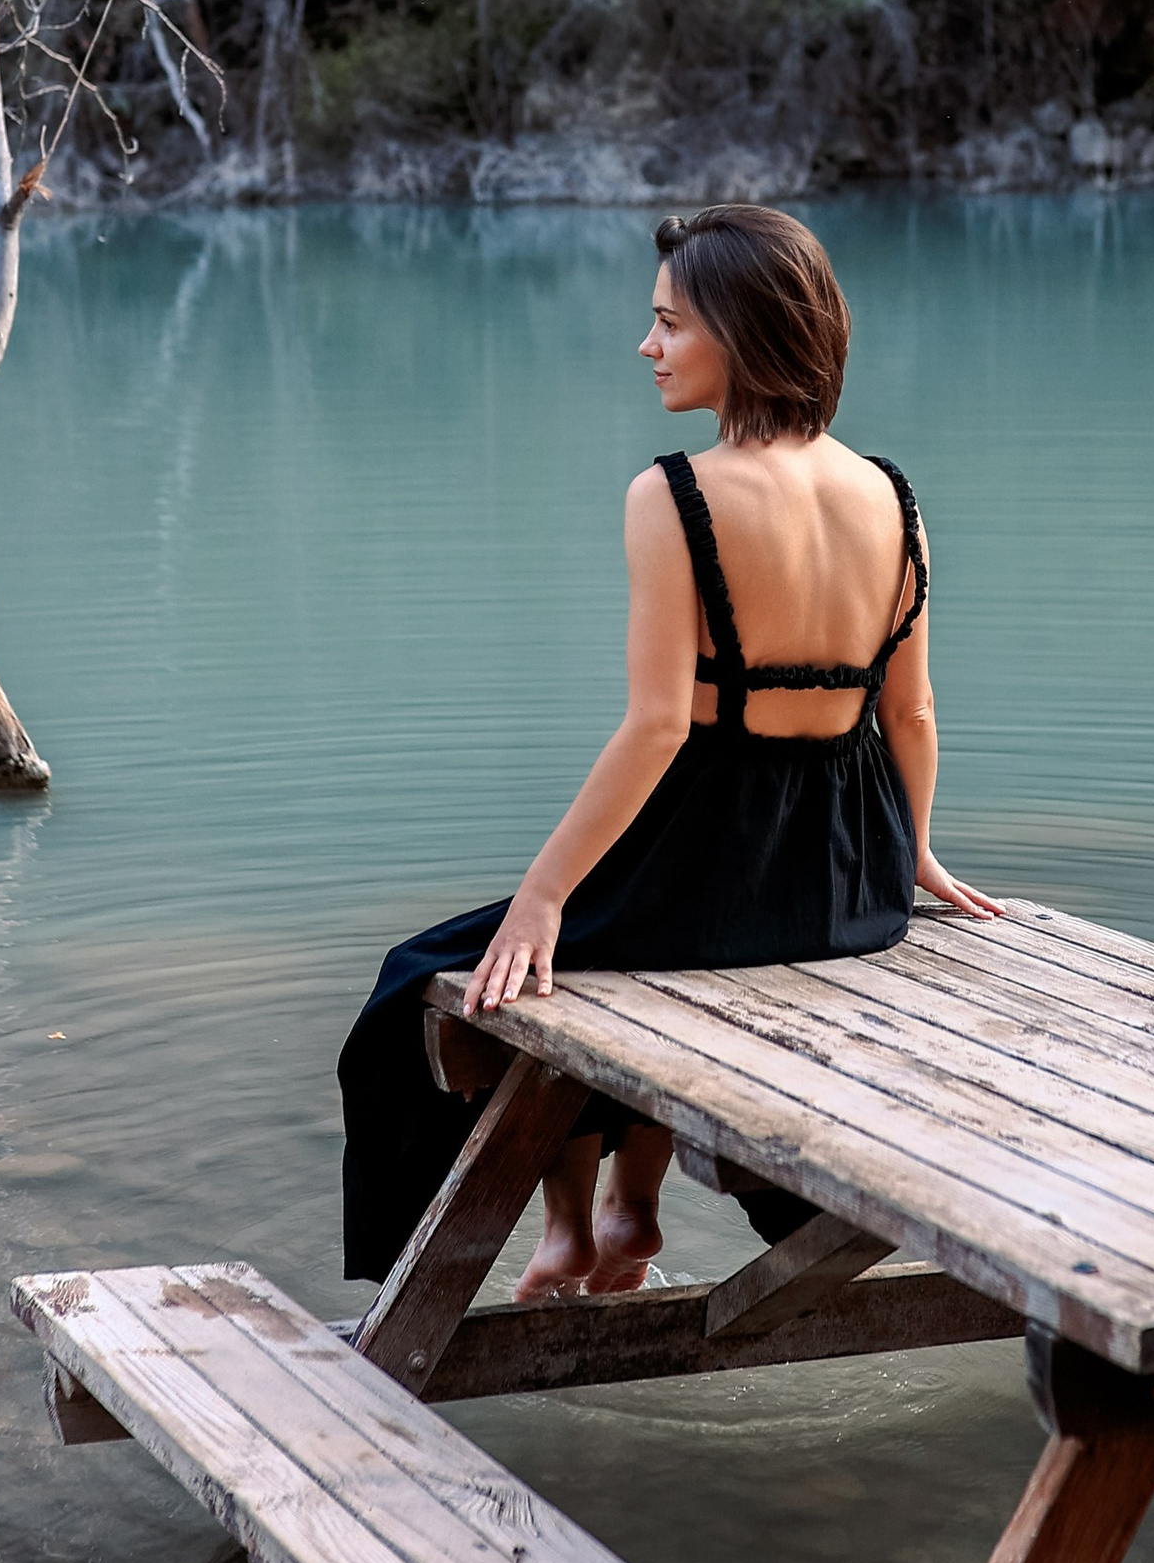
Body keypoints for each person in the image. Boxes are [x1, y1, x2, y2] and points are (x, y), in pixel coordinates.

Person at [338, 202, 997, 1297]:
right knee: (603, 940)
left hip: (708, 875)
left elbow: (657, 726)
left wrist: (541, 896)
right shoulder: (894, 495)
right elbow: (909, 714)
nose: (647, 348)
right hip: (849, 884)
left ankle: (565, 1228)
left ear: (743, 332)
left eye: (669, 325)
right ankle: (629, 1207)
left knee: (450, 968)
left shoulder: (674, 494)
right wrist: (913, 853)